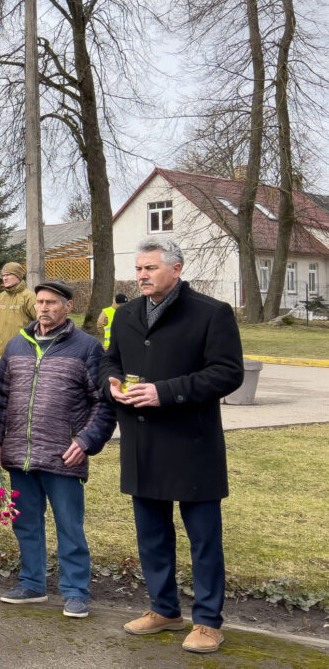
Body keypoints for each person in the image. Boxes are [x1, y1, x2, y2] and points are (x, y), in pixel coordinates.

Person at [100, 236, 243, 655]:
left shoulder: (211, 312)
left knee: (203, 539)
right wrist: (110, 383)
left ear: (176, 269)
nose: (141, 275)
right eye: (138, 268)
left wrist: (165, 392)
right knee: (152, 536)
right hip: (142, 442)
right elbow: (110, 360)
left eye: (150, 268)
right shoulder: (126, 314)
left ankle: (208, 621)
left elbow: (227, 372)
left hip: (191, 443)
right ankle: (164, 609)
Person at [0, 280, 117, 619]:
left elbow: (103, 402)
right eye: (40, 302)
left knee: (69, 526)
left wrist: (85, 441)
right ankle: (32, 583)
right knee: (26, 524)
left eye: (52, 302)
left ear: (67, 307)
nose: (44, 308)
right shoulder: (17, 345)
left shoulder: (87, 347)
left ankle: (76, 591)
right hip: (19, 452)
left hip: (63, 455)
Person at [0, 262, 36, 355]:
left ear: (18, 276)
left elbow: (41, 321)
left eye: (8, 275)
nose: (5, 278)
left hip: (23, 353)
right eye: (3, 275)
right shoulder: (1, 296)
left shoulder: (29, 297)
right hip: (3, 352)